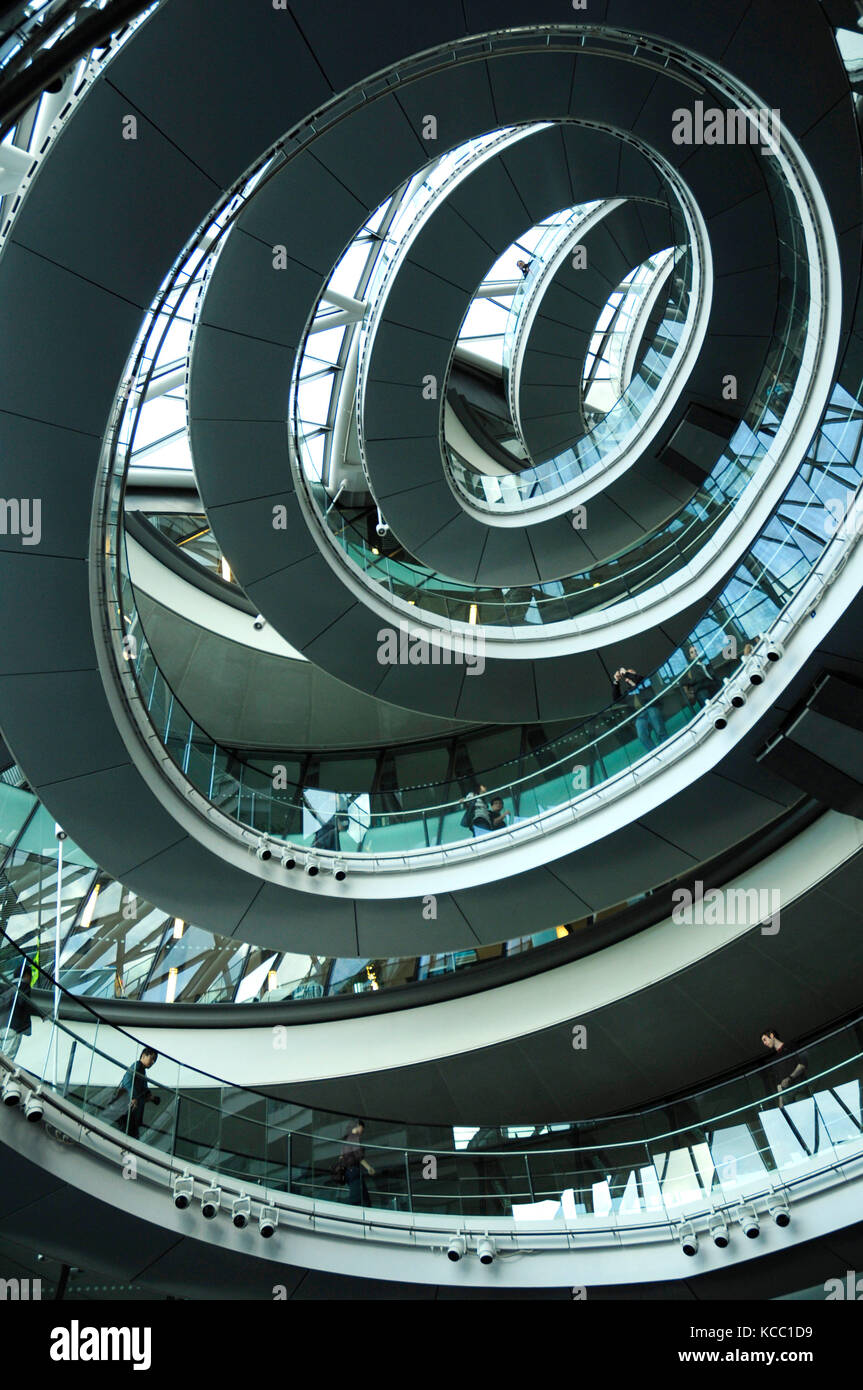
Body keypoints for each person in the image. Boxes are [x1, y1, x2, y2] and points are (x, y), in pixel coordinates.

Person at [612, 666, 667, 750]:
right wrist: (616, 681)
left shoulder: (644, 681)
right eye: (627, 675)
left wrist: (626, 673)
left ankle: (666, 746)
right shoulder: (629, 692)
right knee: (642, 736)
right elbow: (616, 699)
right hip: (639, 715)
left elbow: (638, 679)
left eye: (630, 673)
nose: (627, 675)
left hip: (651, 707)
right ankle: (653, 752)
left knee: (659, 730)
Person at [114, 1046, 161, 1139]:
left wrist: (149, 1097)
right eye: (152, 1058)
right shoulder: (137, 1066)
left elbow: (141, 1090)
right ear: (143, 1055)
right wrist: (133, 1098)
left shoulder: (142, 1071)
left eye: (154, 1060)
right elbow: (127, 1081)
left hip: (132, 1111)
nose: (153, 1062)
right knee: (128, 1136)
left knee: (130, 1136)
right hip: (127, 1108)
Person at [761, 1029, 808, 1108]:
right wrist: (780, 1101)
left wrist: (790, 1078)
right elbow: (778, 1082)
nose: (764, 1043)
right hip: (787, 1095)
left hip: (799, 1088)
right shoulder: (774, 1059)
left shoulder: (791, 1046)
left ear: (772, 1036)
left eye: (765, 1040)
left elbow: (803, 1064)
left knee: (805, 1109)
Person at [0, 965, 36, 1062]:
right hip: (14, 1027)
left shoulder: (8, 987)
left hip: (2, 1026)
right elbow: (23, 1002)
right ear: (27, 975)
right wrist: (41, 1014)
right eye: (31, 976)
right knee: (7, 1060)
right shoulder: (24, 987)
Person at [338, 1120, 375, 1206]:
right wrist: (369, 1168)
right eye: (362, 1129)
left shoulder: (346, 1139)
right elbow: (359, 1156)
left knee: (361, 1195)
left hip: (348, 1171)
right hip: (353, 1170)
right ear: (358, 1126)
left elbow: (341, 1156)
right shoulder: (354, 1137)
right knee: (358, 1197)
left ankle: (365, 1210)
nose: (362, 1131)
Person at [683, 644, 717, 710]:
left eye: (695, 650)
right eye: (692, 652)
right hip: (703, 691)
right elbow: (690, 682)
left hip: (713, 686)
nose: (695, 653)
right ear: (690, 657)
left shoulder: (705, 662)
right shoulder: (691, 668)